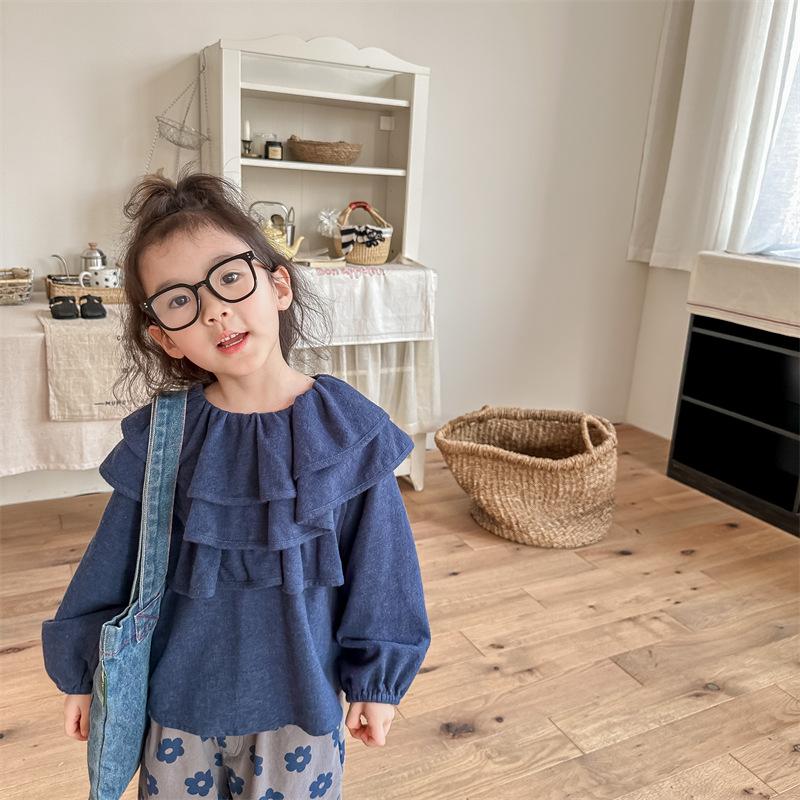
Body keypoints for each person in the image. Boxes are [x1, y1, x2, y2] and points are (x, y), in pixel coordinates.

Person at [41, 166, 432, 800]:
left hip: (302, 711)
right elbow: (112, 561)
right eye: (179, 300)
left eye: (229, 277)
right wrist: (85, 671)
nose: (214, 310)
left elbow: (384, 567)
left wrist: (376, 681)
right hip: (177, 708)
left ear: (278, 285)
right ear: (164, 338)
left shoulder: (347, 429)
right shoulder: (165, 436)